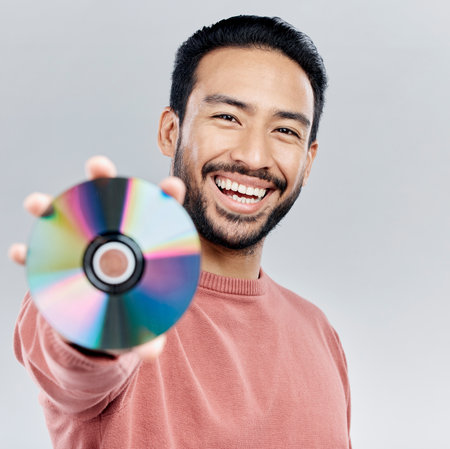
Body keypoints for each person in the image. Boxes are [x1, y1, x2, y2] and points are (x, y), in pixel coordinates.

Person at [10, 15, 352, 448]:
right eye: (228, 117)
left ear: (308, 159)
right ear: (171, 132)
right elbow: (75, 369)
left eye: (285, 130)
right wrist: (91, 293)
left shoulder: (319, 333)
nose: (253, 155)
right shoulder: (107, 296)